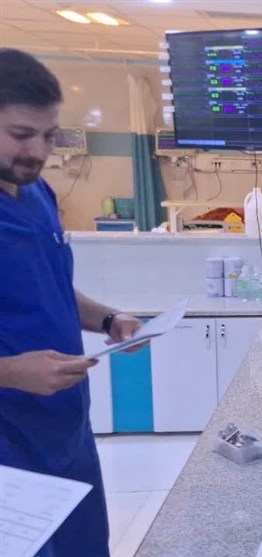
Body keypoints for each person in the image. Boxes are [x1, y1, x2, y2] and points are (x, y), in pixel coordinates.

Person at [0, 48, 144, 557]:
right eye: (22, 134)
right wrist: (10, 372)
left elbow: (50, 289)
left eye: (49, 135)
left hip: (64, 430)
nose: (38, 151)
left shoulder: (36, 193)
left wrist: (108, 318)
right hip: (9, 442)